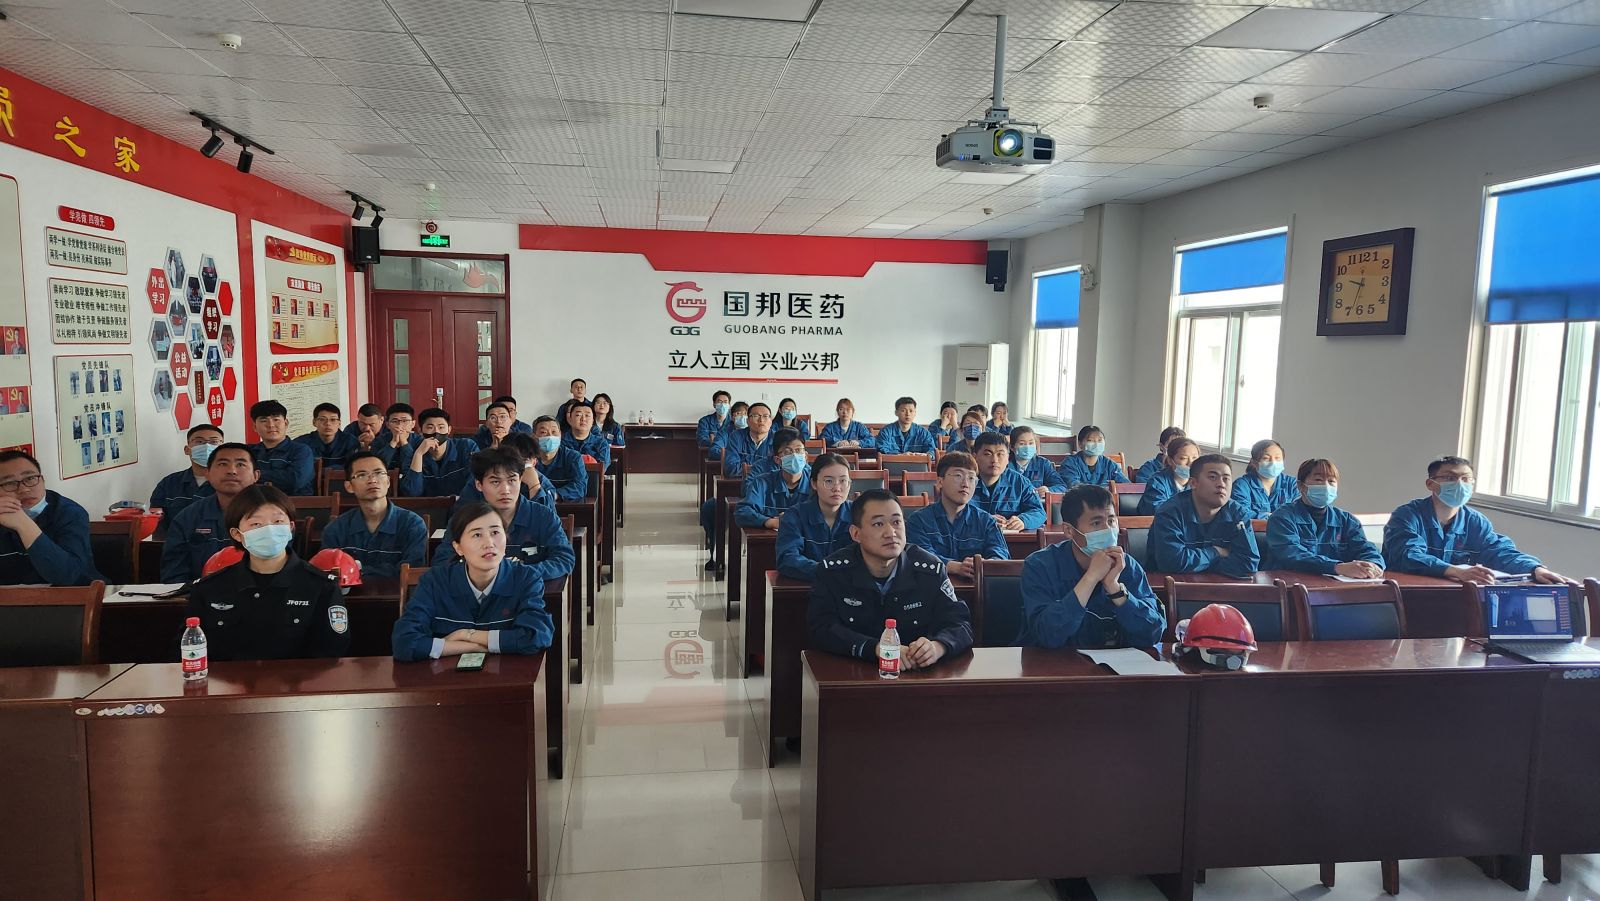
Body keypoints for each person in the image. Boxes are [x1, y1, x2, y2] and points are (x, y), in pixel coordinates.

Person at [807, 490, 973, 668]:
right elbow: (821, 629)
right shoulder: (833, 572)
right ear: (856, 534)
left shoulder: (930, 570)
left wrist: (937, 647)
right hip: (853, 672)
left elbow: (961, 624)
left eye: (896, 522)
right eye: (878, 524)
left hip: (917, 673)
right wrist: (875, 648)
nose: (891, 532)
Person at [185, 485, 351, 661]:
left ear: (291, 528)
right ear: (237, 534)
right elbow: (189, 650)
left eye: (278, 521)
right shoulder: (210, 588)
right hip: (229, 679)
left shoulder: (322, 587)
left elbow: (331, 653)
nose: (269, 530)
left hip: (298, 678)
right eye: (256, 524)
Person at [392, 500, 554, 662]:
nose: (489, 543)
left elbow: (537, 636)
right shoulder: (434, 581)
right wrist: (474, 647)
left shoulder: (526, 578)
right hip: (444, 674)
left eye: (495, 532)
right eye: (477, 535)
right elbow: (404, 642)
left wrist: (466, 635)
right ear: (458, 547)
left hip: (508, 673)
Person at [1383, 455, 1567, 584]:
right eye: (1450, 478)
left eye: (1466, 479)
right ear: (1431, 484)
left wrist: (1535, 569)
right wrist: (1456, 571)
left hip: (1454, 595)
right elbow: (1409, 556)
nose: (1459, 484)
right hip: (1409, 594)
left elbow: (1499, 551)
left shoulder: (1475, 521)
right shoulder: (1407, 516)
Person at [1022, 484, 1165, 649]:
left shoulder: (1126, 565)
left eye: (1111, 521)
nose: (1108, 529)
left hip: (1115, 662)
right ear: (1069, 531)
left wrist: (1115, 589)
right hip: (1056, 662)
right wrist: (1090, 578)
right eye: (1096, 523)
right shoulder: (1039, 566)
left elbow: (1153, 632)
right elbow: (1047, 635)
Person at [432, 448, 574, 580]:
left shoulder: (543, 515)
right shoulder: (464, 519)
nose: (505, 490)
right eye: (495, 482)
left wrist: (518, 574)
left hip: (529, 591)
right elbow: (441, 563)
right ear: (479, 485)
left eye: (512, 480)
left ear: (520, 480)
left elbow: (564, 559)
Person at [1264, 458, 1384, 577]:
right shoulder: (1282, 517)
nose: (1326, 485)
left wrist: (1372, 564)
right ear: (1301, 486)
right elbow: (1291, 555)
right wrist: (1337, 567)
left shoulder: (1346, 520)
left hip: (1335, 585)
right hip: (1289, 583)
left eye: (1331, 481)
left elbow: (1365, 548)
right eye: (1318, 480)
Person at [320, 451, 428, 580]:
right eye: (362, 475)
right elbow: (329, 573)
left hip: (397, 592)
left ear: (388, 481)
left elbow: (411, 570)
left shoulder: (412, 524)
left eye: (379, 473)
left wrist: (359, 570)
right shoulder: (336, 529)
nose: (372, 480)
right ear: (349, 486)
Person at [161, 443, 259, 583]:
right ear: (207, 474)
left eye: (241, 465)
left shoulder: (275, 517)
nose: (232, 471)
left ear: (256, 475)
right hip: (199, 593)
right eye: (223, 464)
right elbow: (174, 575)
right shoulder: (187, 518)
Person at [0, 451, 100, 586]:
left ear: (42, 480)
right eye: (9, 483)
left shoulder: (69, 513)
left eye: (30, 478)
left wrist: (24, 525)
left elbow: (67, 577)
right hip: (14, 598)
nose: (24, 490)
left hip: (78, 594)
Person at [1151, 453, 1260, 577]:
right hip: (1170, 585)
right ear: (1193, 483)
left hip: (1221, 585)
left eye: (1226, 479)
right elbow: (1173, 562)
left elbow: (1249, 563)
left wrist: (1201, 564)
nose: (1221, 484)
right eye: (1213, 477)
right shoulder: (1170, 512)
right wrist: (1215, 552)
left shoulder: (1238, 513)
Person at [906, 451, 1008, 578]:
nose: (965, 484)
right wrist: (955, 567)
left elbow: (1001, 554)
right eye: (958, 476)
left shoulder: (986, 521)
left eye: (971, 478)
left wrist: (986, 564)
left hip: (977, 586)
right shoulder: (919, 520)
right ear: (940, 481)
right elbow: (918, 557)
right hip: (931, 587)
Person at [776, 452, 853, 581]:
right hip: (808, 586)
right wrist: (825, 571)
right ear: (814, 483)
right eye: (829, 481)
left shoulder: (860, 514)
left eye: (843, 481)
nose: (837, 488)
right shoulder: (795, 516)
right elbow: (787, 558)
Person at [150, 424, 222, 537]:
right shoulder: (168, 484)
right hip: (178, 546)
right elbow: (158, 525)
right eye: (199, 442)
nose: (207, 447)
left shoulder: (233, 483)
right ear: (187, 450)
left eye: (214, 442)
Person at [735, 429, 810, 531]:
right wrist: (771, 522)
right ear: (777, 460)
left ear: (805, 456)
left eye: (798, 450)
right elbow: (742, 512)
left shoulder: (816, 481)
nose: (794, 456)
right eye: (787, 452)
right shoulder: (762, 482)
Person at [970, 431, 1046, 530]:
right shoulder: (964, 481)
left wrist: (1023, 521)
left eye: (1000, 454)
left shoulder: (1020, 482)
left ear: (1007, 458)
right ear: (974, 456)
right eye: (988, 454)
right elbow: (953, 513)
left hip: (1010, 538)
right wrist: (982, 520)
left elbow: (1039, 512)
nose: (994, 460)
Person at [401, 408, 482, 498]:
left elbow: (477, 484)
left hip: (462, 503)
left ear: (449, 430)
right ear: (420, 431)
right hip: (427, 505)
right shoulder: (413, 452)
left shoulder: (467, 447)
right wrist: (419, 454)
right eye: (430, 427)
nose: (436, 431)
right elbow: (412, 493)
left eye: (441, 427)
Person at [248, 400, 313, 495]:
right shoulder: (249, 451)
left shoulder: (301, 450)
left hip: (295, 502)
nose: (271, 425)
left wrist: (252, 475)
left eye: (276, 419)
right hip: (257, 501)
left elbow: (295, 481)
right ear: (255, 427)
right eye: (263, 421)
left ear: (286, 423)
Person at [1233, 439, 1300, 520]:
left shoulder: (1292, 484)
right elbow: (1241, 513)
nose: (1273, 462)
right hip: (1252, 528)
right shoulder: (1241, 485)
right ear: (1254, 462)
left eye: (1277, 458)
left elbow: (1300, 512)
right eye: (1266, 458)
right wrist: (1273, 518)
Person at [1137, 436, 1200, 516]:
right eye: (1183, 458)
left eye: (1194, 458)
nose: (1190, 463)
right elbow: (1158, 510)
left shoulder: (1200, 482)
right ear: (1170, 461)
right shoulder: (1157, 482)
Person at [531, 415, 588, 500]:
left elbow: (580, 487)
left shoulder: (573, 457)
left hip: (565, 504)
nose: (550, 436)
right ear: (534, 436)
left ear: (560, 434)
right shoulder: (527, 458)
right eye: (543, 432)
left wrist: (554, 495)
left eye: (554, 432)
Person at [714, 401, 776, 478]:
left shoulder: (778, 438)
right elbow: (731, 468)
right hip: (740, 483)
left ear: (771, 421)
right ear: (748, 421)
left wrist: (747, 469)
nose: (761, 420)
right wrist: (763, 470)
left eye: (765, 416)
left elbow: (779, 470)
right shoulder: (737, 436)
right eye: (756, 416)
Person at [1058, 424, 1131, 488]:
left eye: (1100, 440)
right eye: (1090, 440)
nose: (1096, 444)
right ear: (1080, 444)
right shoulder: (1070, 463)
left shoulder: (1110, 465)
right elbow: (1073, 485)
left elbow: (1126, 486)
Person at [1010, 426, 1066, 500]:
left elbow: (1061, 486)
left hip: (1036, 505)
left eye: (1031, 443)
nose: (1027, 447)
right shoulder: (1004, 464)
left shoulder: (1043, 464)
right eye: (1022, 444)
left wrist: (1048, 490)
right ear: (1012, 447)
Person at [563, 402, 612, 471]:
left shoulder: (601, 444)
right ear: (570, 420)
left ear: (592, 421)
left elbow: (601, 470)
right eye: (578, 415)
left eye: (587, 415)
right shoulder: (561, 442)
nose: (583, 419)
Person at [375, 402, 421, 469]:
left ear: (413, 424)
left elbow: (415, 466)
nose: (399, 425)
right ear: (387, 425)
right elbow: (377, 465)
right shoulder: (379, 440)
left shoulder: (420, 441)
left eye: (404, 421)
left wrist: (404, 443)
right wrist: (393, 442)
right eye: (395, 421)